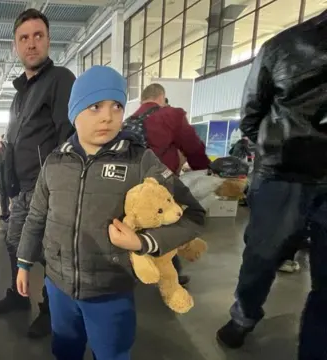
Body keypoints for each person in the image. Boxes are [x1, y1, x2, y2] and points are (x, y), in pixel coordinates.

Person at [16, 66, 205, 359]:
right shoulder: (54, 163)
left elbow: (193, 215)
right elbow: (37, 216)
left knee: (112, 353)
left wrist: (142, 243)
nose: (107, 116)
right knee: (65, 348)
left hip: (110, 291)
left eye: (116, 106)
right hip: (58, 286)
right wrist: (24, 263)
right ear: (75, 113)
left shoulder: (141, 161)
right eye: (95, 107)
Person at [215, 11, 327, 358]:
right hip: (283, 173)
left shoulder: (281, 46)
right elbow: (252, 114)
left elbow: (250, 115)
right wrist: (273, 151)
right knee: (261, 258)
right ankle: (244, 316)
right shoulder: (283, 46)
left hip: (287, 170)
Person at [0, 8, 76, 339]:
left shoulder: (60, 80)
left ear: (48, 40)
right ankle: (18, 294)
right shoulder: (20, 94)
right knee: (14, 243)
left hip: (48, 189)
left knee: (49, 254)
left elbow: (68, 137)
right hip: (21, 188)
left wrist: (58, 188)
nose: (31, 43)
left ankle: (51, 311)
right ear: (16, 46)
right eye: (24, 38)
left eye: (38, 36)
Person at [125, 83, 211, 285]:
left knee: (139, 226)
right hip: (162, 183)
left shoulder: (129, 121)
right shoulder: (171, 115)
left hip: (134, 186)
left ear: (142, 100)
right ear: (162, 97)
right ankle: (172, 275)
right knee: (171, 223)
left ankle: (140, 270)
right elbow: (193, 147)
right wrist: (204, 168)